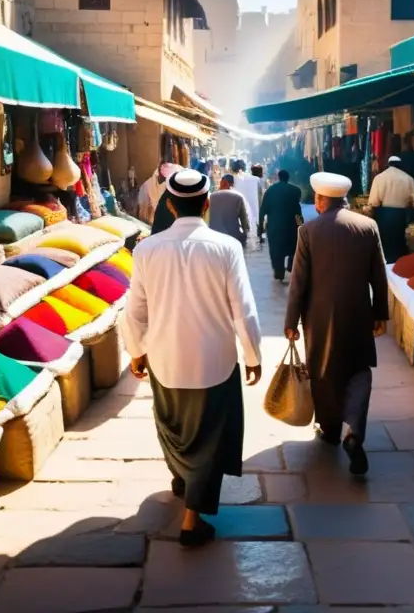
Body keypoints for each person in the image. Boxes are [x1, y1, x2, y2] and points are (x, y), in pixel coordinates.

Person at [121, 169, 263, 548]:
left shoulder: (147, 249)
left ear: (168, 204)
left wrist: (136, 351)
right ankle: (191, 521)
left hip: (165, 360)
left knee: (175, 426)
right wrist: (252, 354)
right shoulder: (225, 247)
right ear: (206, 203)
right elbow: (243, 309)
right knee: (209, 436)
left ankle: (183, 481)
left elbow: (134, 310)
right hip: (213, 361)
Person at [284, 172, 389, 476]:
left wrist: (291, 320)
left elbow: (298, 282)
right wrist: (380, 313)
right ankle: (354, 431)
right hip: (358, 313)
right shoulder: (368, 226)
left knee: (323, 370)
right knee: (358, 370)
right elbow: (378, 276)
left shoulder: (309, 231)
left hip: (319, 317)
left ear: (319, 200)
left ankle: (330, 429)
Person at [367, 155, 414, 264]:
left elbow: (373, 202)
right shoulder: (409, 178)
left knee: (384, 248)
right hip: (401, 219)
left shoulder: (379, 178)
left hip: (384, 218)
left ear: (388, 164)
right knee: (399, 249)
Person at [258, 170, 303, 282]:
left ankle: (279, 272)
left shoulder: (270, 191)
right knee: (293, 247)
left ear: (278, 177)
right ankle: (291, 266)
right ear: (288, 178)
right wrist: (301, 225)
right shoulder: (295, 191)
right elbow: (298, 210)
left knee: (276, 249)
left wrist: (260, 227)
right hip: (291, 226)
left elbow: (263, 210)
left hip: (275, 226)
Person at [208, 175, 250, 247]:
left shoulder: (211, 197)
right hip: (233, 237)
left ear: (222, 183)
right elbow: (244, 220)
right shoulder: (238, 196)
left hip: (213, 237)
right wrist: (247, 233)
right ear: (232, 184)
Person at [231, 160, 262, 243]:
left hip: (237, 218)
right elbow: (260, 199)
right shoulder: (256, 179)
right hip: (254, 218)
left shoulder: (232, 180)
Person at [250, 164, 266, 246]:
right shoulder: (259, 181)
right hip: (259, 203)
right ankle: (259, 235)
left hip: (254, 203)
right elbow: (262, 193)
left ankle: (258, 234)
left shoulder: (253, 180)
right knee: (260, 219)